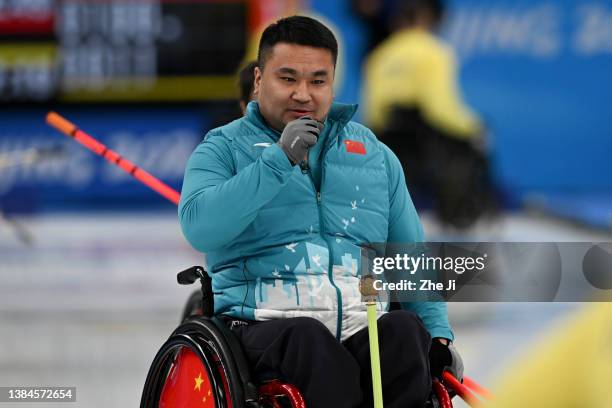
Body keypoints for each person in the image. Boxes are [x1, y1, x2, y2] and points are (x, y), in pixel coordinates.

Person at [179, 15, 459, 407]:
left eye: (317, 81)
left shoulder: (375, 156)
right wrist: (278, 161)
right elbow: (200, 228)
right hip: (264, 325)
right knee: (310, 341)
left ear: (333, 83)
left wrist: (437, 333)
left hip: (360, 323)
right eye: (288, 78)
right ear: (259, 81)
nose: (303, 94)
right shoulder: (222, 149)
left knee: (404, 333)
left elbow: (408, 253)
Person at [364, 0, 496, 228]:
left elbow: (373, 114)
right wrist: (476, 127)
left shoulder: (379, 56)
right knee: (474, 142)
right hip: (424, 148)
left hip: (387, 146)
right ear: (426, 18)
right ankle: (459, 221)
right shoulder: (434, 51)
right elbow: (441, 109)